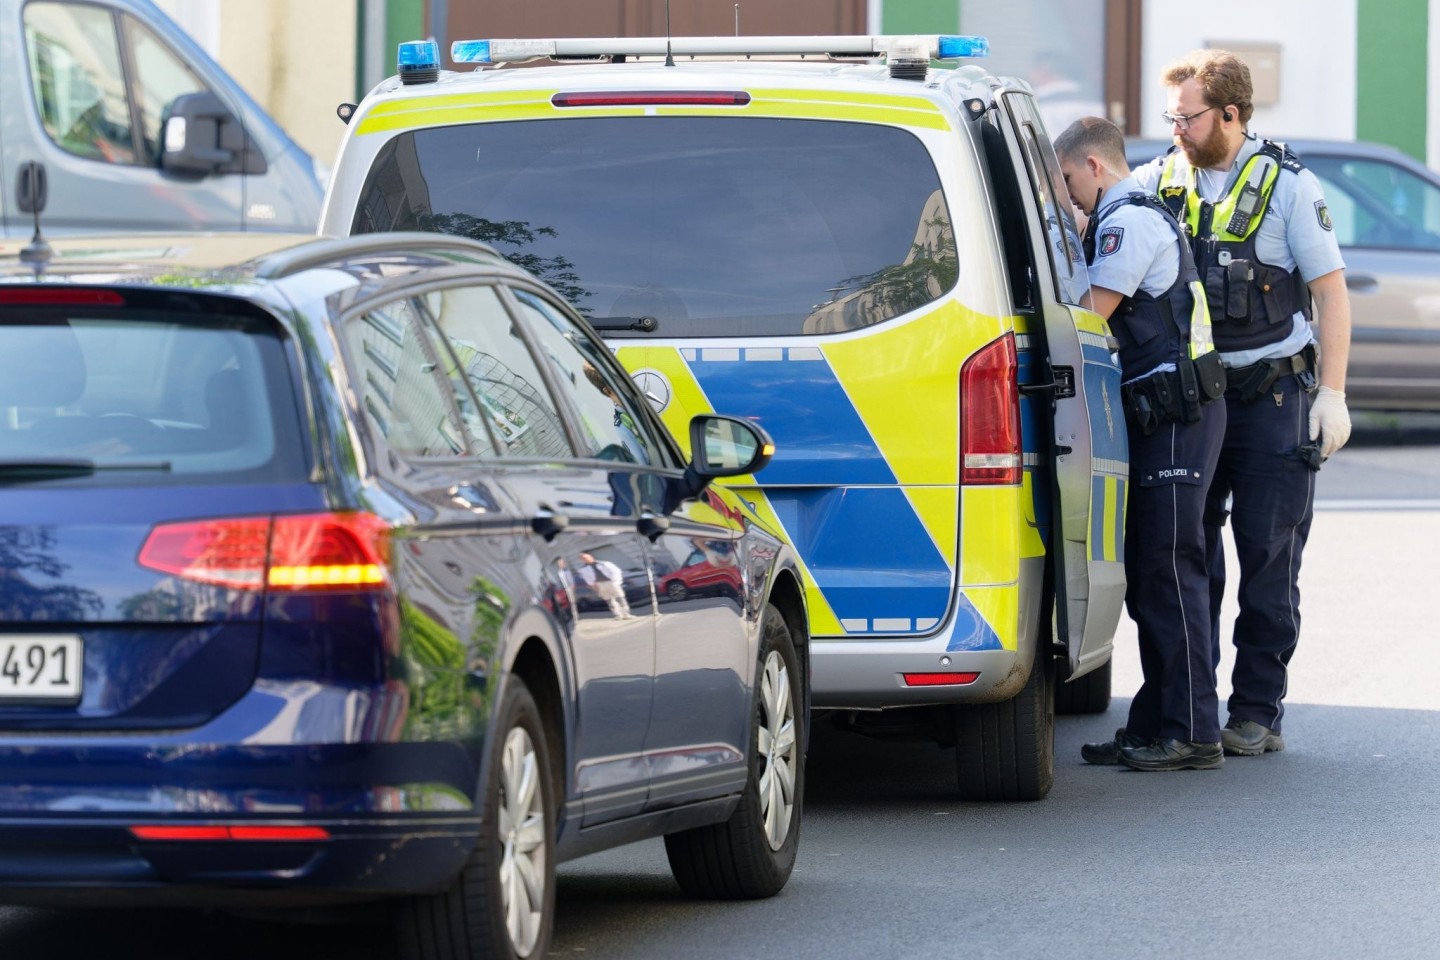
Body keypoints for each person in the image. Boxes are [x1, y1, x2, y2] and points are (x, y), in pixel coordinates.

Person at [1132, 50, 1352, 757]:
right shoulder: (1157, 179)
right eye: (1170, 117)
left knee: (1267, 558)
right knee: (1184, 552)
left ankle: (1257, 708)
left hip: (1271, 397)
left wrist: (1336, 396)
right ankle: (1190, 707)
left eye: (1187, 117)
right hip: (1191, 400)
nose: (1176, 131)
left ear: (1230, 113)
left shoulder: (1288, 187)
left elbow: (1332, 293)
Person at [1056, 116, 1229, 771]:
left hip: (1177, 415)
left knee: (1170, 571)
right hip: (1163, 414)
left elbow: (1088, 313)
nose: (1071, 195)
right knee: (1151, 574)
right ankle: (1158, 721)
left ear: (1093, 166)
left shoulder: (1127, 217)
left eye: (1071, 180)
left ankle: (1192, 732)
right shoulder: (1125, 213)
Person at [576, 551, 634, 620]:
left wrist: (616, 582)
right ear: (582, 560)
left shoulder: (604, 563)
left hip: (611, 582)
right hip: (600, 584)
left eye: (586, 557)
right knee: (609, 600)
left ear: (591, 556)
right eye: (583, 558)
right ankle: (618, 615)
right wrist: (593, 586)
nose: (585, 559)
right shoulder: (583, 569)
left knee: (620, 597)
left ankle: (626, 614)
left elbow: (616, 571)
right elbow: (587, 578)